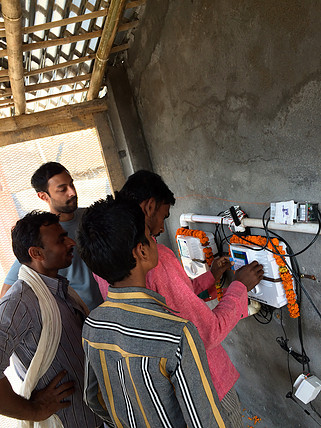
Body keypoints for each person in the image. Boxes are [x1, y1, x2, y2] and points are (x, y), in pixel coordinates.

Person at [93, 170, 264, 428]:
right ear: (150, 205)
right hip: (207, 389)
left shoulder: (108, 260)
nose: (162, 228)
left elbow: (169, 301)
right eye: (164, 216)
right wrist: (240, 286)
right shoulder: (155, 260)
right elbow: (206, 333)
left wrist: (210, 277)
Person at [78, 196, 231, 427]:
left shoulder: (92, 326)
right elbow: (204, 421)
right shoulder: (177, 333)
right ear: (141, 251)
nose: (155, 239)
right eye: (151, 237)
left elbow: (93, 399)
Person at [0, 211, 101, 427]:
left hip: (93, 417)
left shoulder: (60, 289)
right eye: (61, 240)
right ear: (37, 253)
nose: (71, 242)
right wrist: (33, 410)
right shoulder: (19, 303)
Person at [1, 162, 103, 310]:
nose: (72, 192)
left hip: (110, 306)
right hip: (80, 318)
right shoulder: (40, 237)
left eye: (71, 184)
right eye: (62, 190)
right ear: (43, 196)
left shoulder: (91, 217)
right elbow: (6, 293)